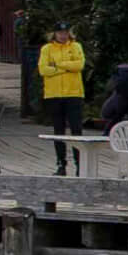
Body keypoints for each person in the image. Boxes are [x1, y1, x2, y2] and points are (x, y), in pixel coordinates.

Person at [39, 22, 88, 173]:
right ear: (54, 33)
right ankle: (61, 163)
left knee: (76, 130)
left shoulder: (75, 46)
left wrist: (57, 65)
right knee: (58, 130)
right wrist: (66, 67)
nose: (63, 35)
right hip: (54, 94)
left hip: (73, 93)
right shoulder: (47, 49)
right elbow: (43, 69)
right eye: (60, 32)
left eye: (65, 32)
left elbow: (79, 65)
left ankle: (80, 164)